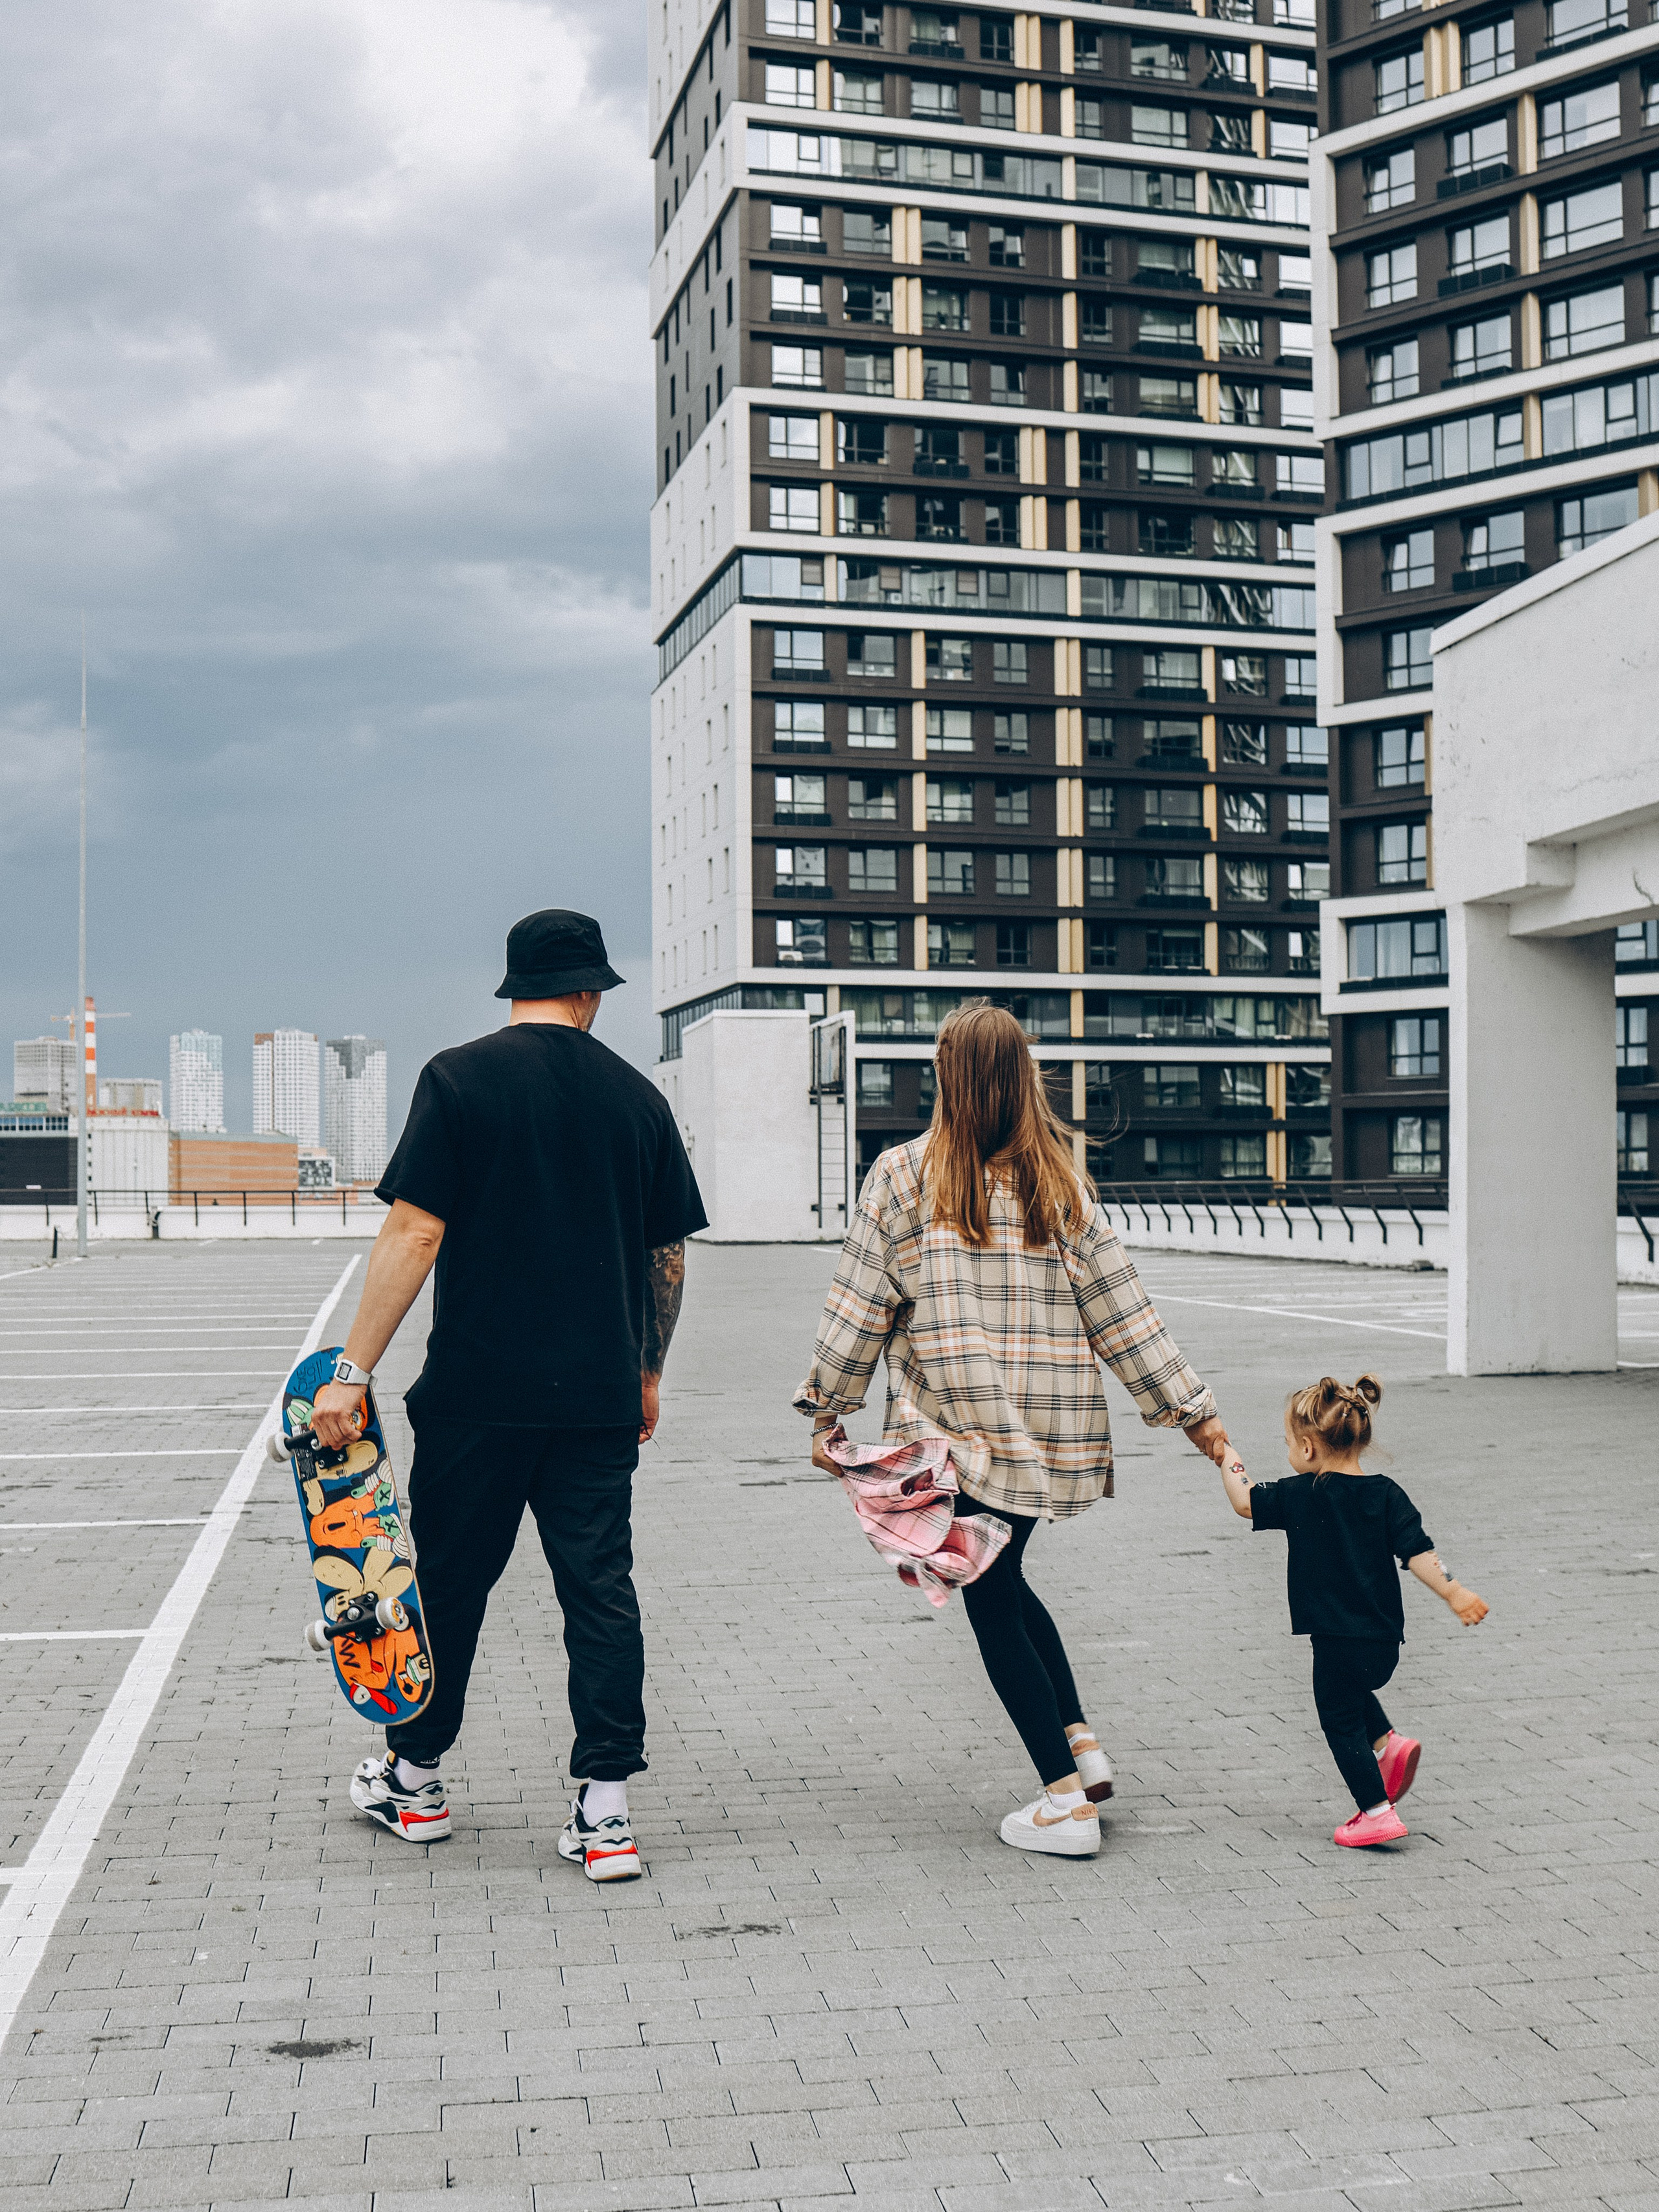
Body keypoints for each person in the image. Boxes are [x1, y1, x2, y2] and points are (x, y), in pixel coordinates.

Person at [308, 909, 707, 1878]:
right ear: (593, 991)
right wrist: (647, 1369)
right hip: (599, 1397)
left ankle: (416, 1780)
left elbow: (414, 1235)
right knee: (599, 1591)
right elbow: (666, 1254)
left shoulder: (460, 1077)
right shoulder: (636, 1099)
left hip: (477, 1395)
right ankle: (605, 1811)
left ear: (514, 985)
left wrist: (349, 1371)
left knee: (445, 1583)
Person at [795, 1001, 1231, 1859]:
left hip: (953, 1437)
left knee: (991, 1597)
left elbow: (860, 1305)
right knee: (1005, 1580)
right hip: (1045, 1440)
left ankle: (1065, 1803)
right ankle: (1077, 1742)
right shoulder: (1055, 1185)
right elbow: (1125, 1312)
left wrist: (830, 1408)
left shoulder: (903, 1176)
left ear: (947, 1078)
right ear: (1025, 1078)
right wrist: (1197, 1417)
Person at [1219, 1373, 1488, 1848]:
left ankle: (1376, 1811)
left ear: (1307, 1448)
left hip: (1336, 1640)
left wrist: (1228, 1458)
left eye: (1287, 1442)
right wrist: (1455, 1592)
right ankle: (1388, 1741)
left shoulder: (1299, 1493)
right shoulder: (1387, 1493)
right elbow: (1419, 1552)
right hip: (1384, 1642)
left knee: (1339, 1720)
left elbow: (1244, 1501)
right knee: (1350, 1691)